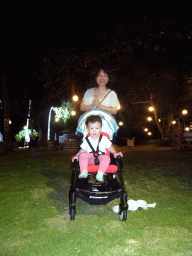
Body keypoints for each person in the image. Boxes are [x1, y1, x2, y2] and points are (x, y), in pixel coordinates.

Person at [72, 115, 123, 182]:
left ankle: (100, 173)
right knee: (83, 155)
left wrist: (114, 153)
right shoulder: (86, 139)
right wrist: (77, 155)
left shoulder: (104, 138)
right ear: (87, 129)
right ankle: (84, 171)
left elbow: (110, 148)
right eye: (91, 128)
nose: (94, 131)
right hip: (90, 159)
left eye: (97, 128)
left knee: (106, 158)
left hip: (101, 158)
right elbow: (82, 150)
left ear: (100, 128)